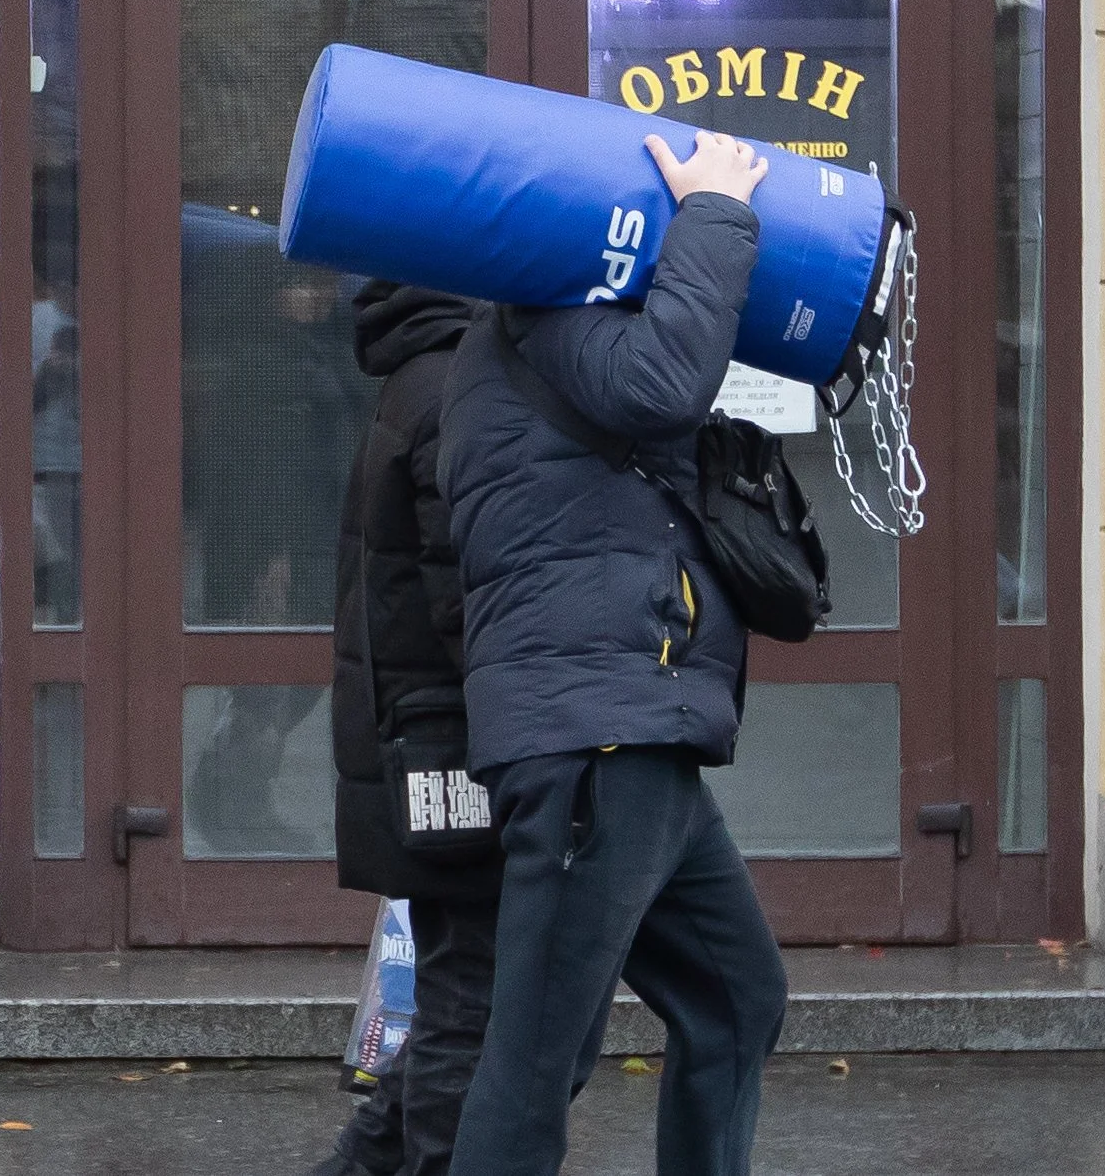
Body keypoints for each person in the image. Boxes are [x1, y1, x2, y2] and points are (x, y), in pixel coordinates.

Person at [436, 132, 787, 1176]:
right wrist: (715, 215)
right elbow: (662, 385)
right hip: (596, 734)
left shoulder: (551, 335)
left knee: (735, 998)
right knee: (537, 1058)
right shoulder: (540, 318)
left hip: (642, 726)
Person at [315, 281, 502, 1176]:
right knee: (473, 994)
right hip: (453, 739)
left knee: (469, 989)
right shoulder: (455, 383)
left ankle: (357, 1168)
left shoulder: (424, 370)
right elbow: (469, 592)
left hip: (422, 732)